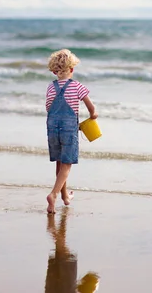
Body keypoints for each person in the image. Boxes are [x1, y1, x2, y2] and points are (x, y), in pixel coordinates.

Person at [45, 49, 98, 214]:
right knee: (67, 165)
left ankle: (65, 197)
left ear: (54, 71)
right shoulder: (77, 86)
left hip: (53, 128)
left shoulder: (51, 87)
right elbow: (92, 109)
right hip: (69, 129)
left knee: (60, 163)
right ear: (72, 69)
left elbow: (48, 108)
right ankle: (53, 195)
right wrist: (93, 116)